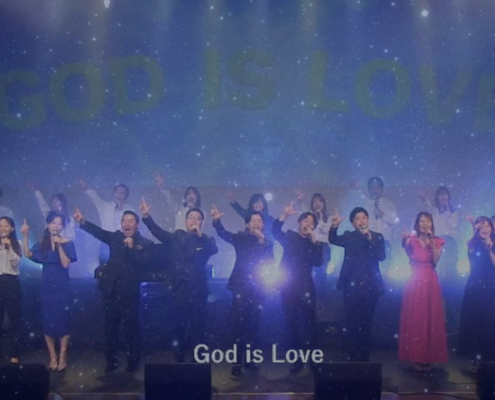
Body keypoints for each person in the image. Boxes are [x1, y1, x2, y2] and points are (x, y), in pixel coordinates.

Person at [74, 207, 153, 373]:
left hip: (130, 292)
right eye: (124, 221)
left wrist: (132, 248)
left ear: (137, 224)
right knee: (110, 328)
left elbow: (144, 264)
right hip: (110, 289)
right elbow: (99, 233)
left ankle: (133, 361)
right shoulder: (116, 237)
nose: (127, 224)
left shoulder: (145, 244)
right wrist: (83, 222)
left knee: (131, 327)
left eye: (131, 221)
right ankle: (111, 360)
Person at [139, 197, 217, 363]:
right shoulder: (177, 236)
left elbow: (213, 250)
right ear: (186, 221)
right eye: (191, 218)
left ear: (202, 222)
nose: (194, 221)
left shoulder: (207, 240)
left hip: (198, 289)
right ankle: (179, 355)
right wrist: (146, 217)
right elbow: (158, 232)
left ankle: (197, 358)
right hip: (179, 287)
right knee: (178, 324)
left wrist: (199, 237)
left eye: (198, 218)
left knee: (198, 326)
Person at [211, 205, 274, 376]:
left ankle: (250, 359)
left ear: (263, 225)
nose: (257, 223)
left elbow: (270, 262)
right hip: (240, 287)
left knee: (254, 325)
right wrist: (216, 221)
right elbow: (223, 234)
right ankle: (237, 362)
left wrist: (262, 242)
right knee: (238, 325)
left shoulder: (267, 243)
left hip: (258, 288)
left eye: (259, 220)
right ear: (247, 224)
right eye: (253, 220)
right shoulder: (240, 238)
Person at [21, 211, 77, 372]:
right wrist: (25, 236)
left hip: (62, 287)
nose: (56, 226)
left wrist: (59, 246)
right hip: (47, 287)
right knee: (48, 322)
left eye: (59, 224)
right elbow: (28, 254)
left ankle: (63, 356)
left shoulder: (68, 243)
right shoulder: (42, 243)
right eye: (53, 223)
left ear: (63, 226)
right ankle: (52, 356)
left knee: (63, 321)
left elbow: (65, 264)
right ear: (48, 224)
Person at [329, 207, 385, 362]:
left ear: (368, 220)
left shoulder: (377, 237)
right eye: (358, 218)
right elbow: (333, 239)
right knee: (352, 321)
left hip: (371, 286)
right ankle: (353, 355)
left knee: (367, 321)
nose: (361, 221)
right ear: (353, 223)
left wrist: (370, 240)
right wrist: (334, 226)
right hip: (351, 286)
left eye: (364, 218)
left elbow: (381, 256)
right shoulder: (349, 236)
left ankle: (365, 355)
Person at [273, 202, 323, 373]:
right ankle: (297, 360)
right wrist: (284, 216)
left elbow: (318, 262)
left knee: (310, 325)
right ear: (299, 222)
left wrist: (314, 241)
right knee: (292, 324)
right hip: (288, 286)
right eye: (305, 221)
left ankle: (314, 360)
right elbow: (275, 232)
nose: (308, 224)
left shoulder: (314, 243)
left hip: (306, 287)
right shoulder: (290, 236)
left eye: (312, 223)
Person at [398, 212, 448, 372]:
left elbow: (435, 260)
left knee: (430, 319)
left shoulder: (438, 241)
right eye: (421, 221)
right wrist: (405, 241)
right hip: (415, 280)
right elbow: (406, 250)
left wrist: (432, 242)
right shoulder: (411, 240)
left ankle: (429, 356)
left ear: (432, 224)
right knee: (417, 318)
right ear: (417, 224)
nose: (425, 224)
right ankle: (416, 356)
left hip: (430, 281)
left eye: (427, 221)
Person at [459, 216, 495, 372]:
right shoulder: (472, 244)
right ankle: (475, 358)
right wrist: (475, 230)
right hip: (475, 287)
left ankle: (489, 359)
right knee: (475, 323)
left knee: (489, 323)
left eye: (487, 226)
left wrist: (490, 249)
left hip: (491, 287)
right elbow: (471, 251)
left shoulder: (492, 244)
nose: (484, 229)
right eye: (481, 226)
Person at [78, 179, 134, 262]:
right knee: (105, 264)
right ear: (113, 193)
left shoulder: (129, 209)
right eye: (117, 192)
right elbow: (95, 198)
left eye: (122, 193)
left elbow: (134, 226)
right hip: (105, 241)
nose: (119, 195)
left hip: (122, 242)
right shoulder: (105, 206)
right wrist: (86, 189)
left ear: (126, 196)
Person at [419, 186, 459, 282]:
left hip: (449, 241)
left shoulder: (454, 211)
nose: (443, 197)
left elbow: (454, 225)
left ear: (449, 197)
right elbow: (429, 206)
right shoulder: (434, 210)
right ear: (437, 197)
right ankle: (437, 285)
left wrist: (448, 212)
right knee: (437, 266)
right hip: (436, 239)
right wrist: (424, 199)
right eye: (440, 195)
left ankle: (451, 284)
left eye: (445, 195)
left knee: (450, 266)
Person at [0, 217, 22, 364]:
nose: (2, 228)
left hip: (12, 282)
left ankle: (15, 353)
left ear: (12, 228)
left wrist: (9, 248)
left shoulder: (16, 243)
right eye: (0, 225)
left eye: (6, 226)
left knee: (14, 319)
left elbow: (16, 263)